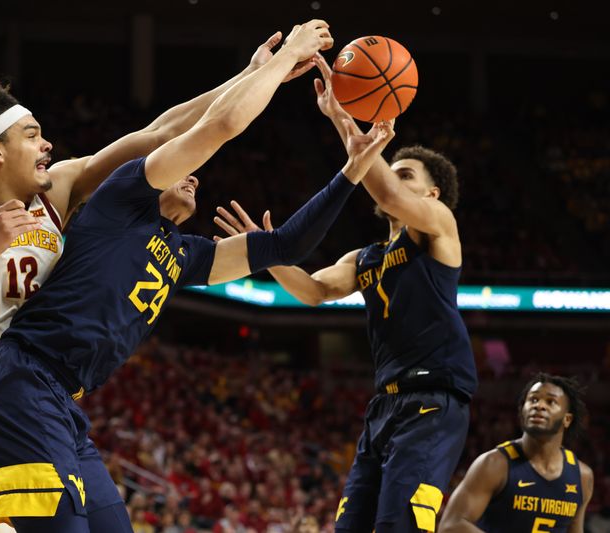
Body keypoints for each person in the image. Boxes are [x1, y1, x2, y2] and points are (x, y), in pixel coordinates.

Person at [0, 32, 313, 533]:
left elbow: (160, 130)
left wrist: (251, 76)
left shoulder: (59, 191)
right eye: (33, 135)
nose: (48, 144)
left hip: (11, 409)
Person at [0, 21, 392, 532]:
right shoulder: (123, 198)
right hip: (21, 384)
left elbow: (287, 245)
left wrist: (352, 173)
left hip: (64, 403)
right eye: (183, 170)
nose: (193, 175)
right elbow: (216, 127)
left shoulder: (183, 255)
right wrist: (280, 64)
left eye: (197, 177)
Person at [213, 55, 477, 532]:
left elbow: (391, 198)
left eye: (406, 173)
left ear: (433, 194)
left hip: (433, 400)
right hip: (385, 405)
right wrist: (265, 253)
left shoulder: (439, 226)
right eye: (391, 170)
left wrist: (343, 120)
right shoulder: (366, 257)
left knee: (400, 525)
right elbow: (314, 291)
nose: (392, 178)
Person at [439, 374, 594, 532]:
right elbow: (451, 525)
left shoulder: (582, 476)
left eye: (550, 401)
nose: (539, 406)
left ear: (567, 419)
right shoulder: (494, 464)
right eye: (533, 400)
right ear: (522, 411)